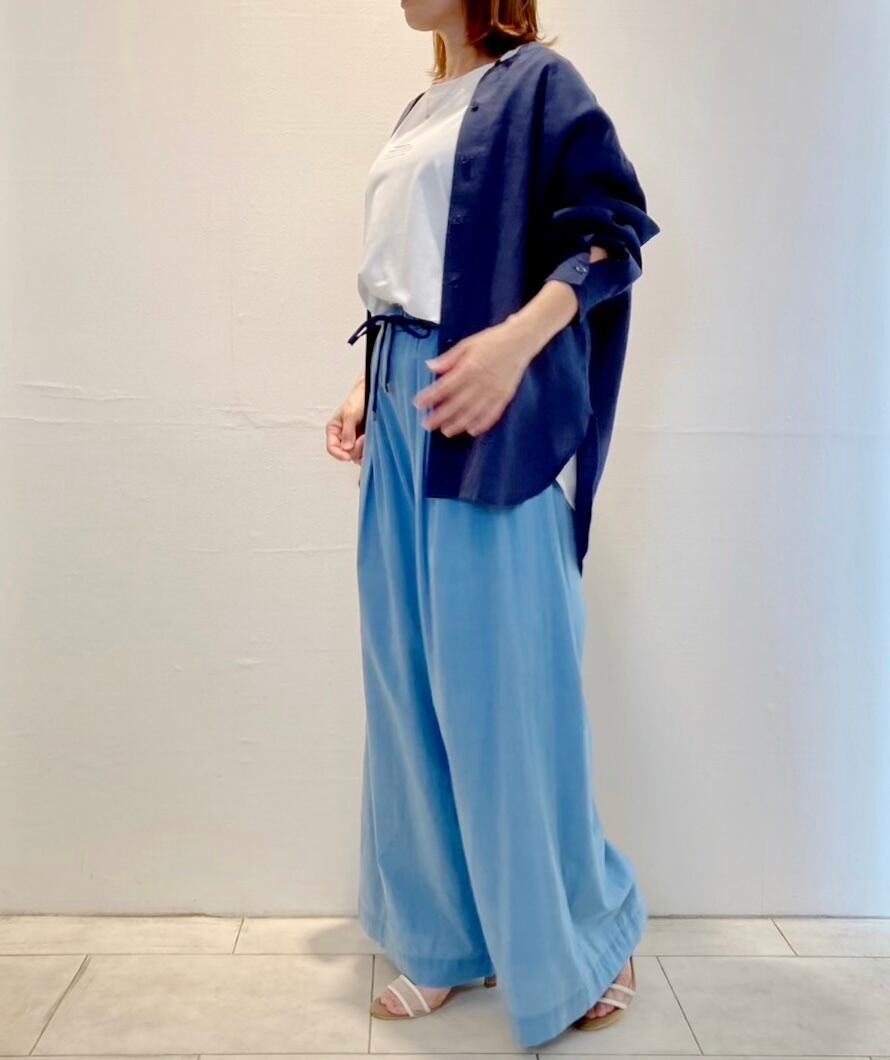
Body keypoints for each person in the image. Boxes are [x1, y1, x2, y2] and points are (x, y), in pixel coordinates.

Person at [325, 0, 659, 1048]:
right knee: (408, 681)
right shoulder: (422, 105)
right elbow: (412, 266)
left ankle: (587, 935)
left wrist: (516, 342)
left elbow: (611, 234)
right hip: (400, 398)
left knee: (509, 689)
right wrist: (364, 384)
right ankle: (441, 938)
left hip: (483, 407)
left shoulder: (537, 86)